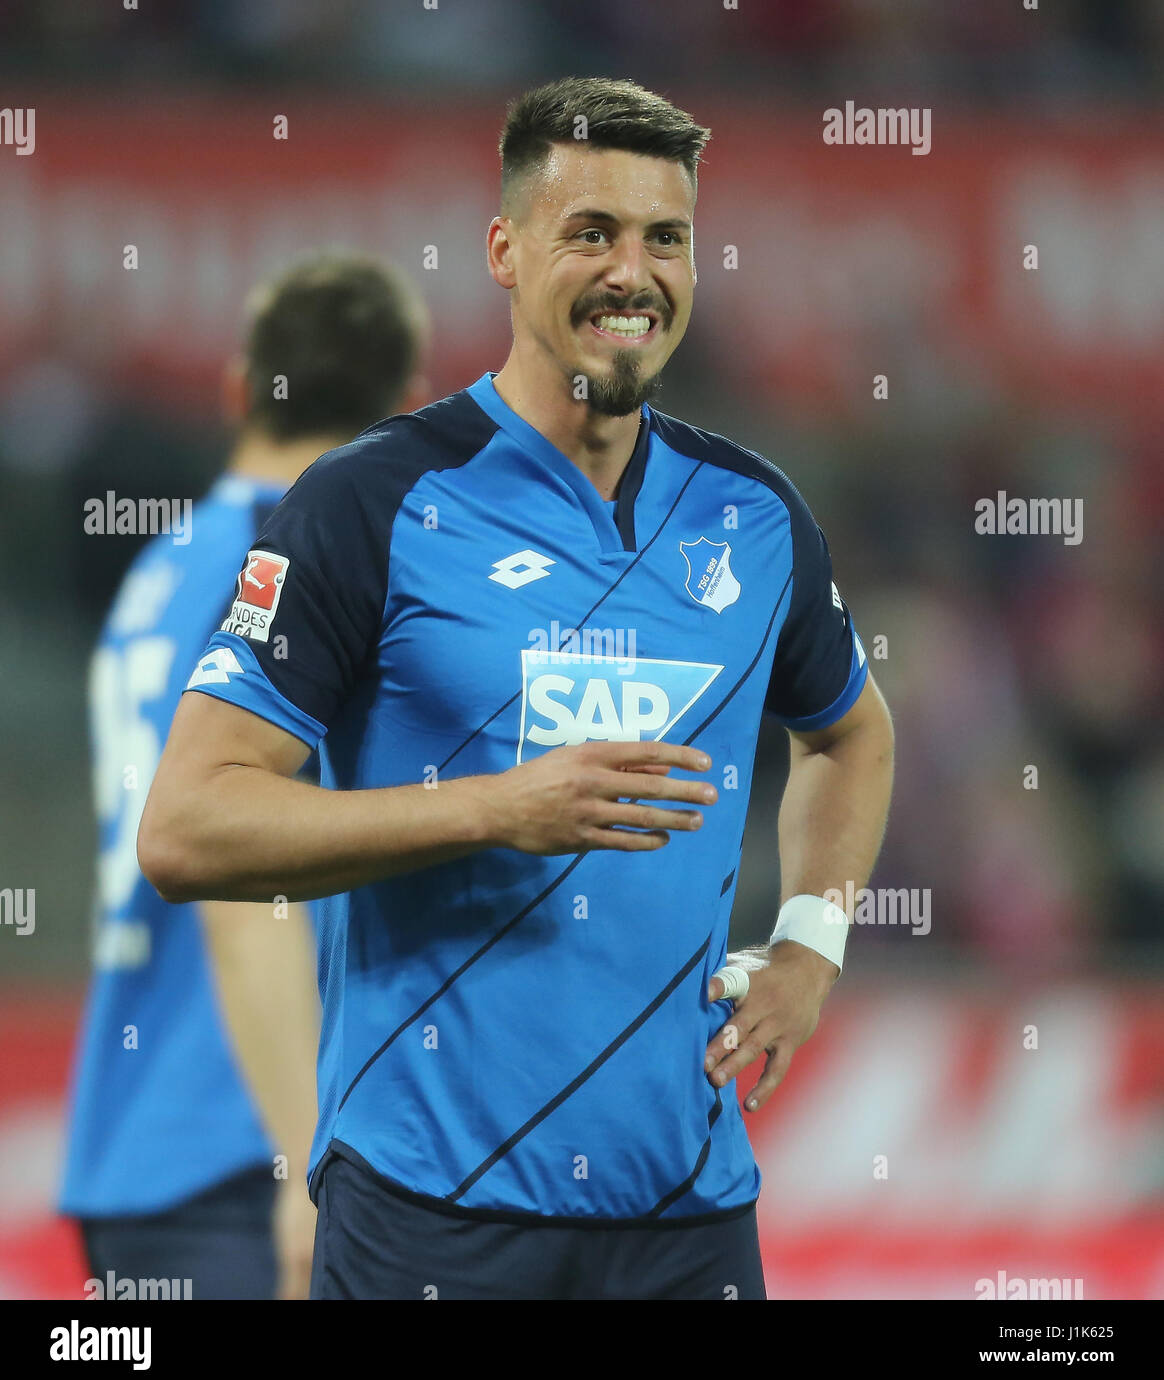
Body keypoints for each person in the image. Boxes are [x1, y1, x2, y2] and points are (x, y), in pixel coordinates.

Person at [139, 77, 895, 1301]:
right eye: (590, 232)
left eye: (666, 239)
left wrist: (812, 942)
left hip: (687, 1216)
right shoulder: (367, 505)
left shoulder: (756, 517)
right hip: (431, 1213)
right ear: (504, 249)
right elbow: (186, 826)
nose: (632, 273)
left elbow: (850, 733)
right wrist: (497, 807)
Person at [60, 252, 430, 1299]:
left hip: (141, 1130)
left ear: (236, 388)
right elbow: (240, 883)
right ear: (405, 409)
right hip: (244, 1132)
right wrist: (306, 1159)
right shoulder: (287, 570)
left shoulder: (165, 561)